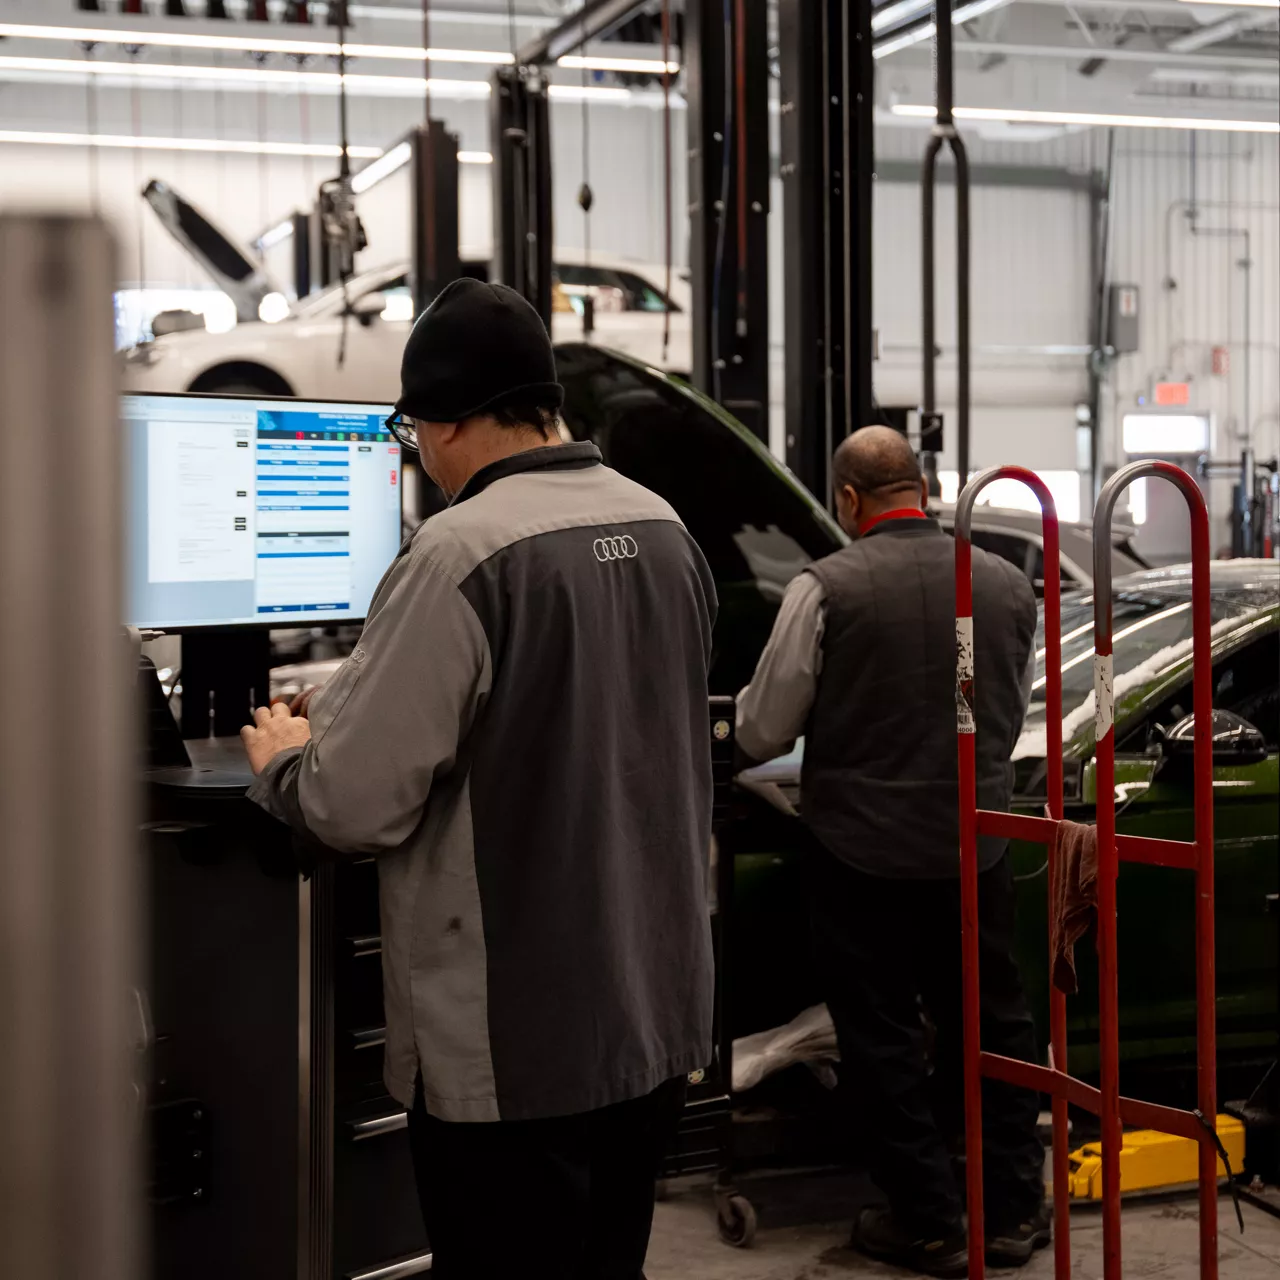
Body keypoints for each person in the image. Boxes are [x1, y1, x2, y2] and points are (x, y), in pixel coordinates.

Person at [241, 278, 718, 1279]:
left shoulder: (459, 551)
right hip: (650, 1017)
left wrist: (283, 762)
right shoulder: (665, 527)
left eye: (411, 434)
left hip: (514, 1044)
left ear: (445, 418)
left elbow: (353, 801)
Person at [736, 427, 1046, 1277]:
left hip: (858, 853)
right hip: (977, 850)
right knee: (996, 1031)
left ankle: (931, 1221)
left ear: (847, 499)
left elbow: (764, 726)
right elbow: (1002, 713)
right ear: (924, 487)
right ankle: (1014, 1210)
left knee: (879, 1041)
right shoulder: (1005, 583)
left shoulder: (825, 588)